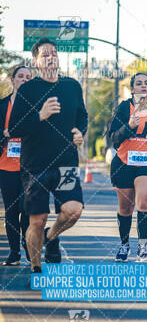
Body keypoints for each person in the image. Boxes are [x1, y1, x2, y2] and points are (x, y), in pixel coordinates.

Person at [9, 38, 87, 276]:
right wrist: (40, 116)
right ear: (35, 62)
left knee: (73, 210)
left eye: (54, 53)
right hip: (36, 166)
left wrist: (79, 132)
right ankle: (36, 267)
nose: (51, 57)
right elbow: (14, 129)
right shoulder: (28, 90)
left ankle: (51, 238)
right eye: (45, 55)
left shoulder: (72, 86)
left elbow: (82, 116)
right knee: (36, 220)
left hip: (66, 163)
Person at [108, 72, 147, 262]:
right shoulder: (124, 108)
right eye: (139, 83)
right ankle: (124, 245)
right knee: (125, 208)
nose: (143, 86)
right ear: (132, 88)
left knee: (143, 202)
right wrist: (129, 125)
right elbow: (114, 136)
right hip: (124, 161)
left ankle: (143, 247)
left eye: (146, 83)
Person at [0, 65, 32, 266]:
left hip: (30, 166)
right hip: (6, 166)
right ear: (13, 80)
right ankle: (14, 252)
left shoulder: (37, 106)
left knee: (27, 208)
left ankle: (27, 243)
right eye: (21, 76)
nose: (25, 80)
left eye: (29, 77)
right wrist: (4, 136)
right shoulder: (2, 106)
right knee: (11, 209)